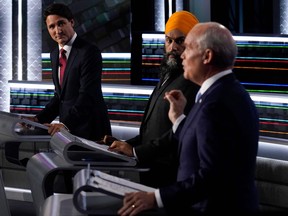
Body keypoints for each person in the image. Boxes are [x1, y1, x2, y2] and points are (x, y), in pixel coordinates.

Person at [117, 22, 259, 215]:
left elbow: (212, 176)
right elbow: (203, 141)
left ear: (207, 56)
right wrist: (178, 119)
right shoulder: (219, 93)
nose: (182, 54)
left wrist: (155, 198)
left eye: (189, 47)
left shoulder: (218, 103)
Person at [103, 11, 200, 188]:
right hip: (154, 171)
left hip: (173, 176)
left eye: (180, 41)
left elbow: (179, 133)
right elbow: (152, 131)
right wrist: (125, 144)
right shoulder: (168, 75)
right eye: (169, 40)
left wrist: (135, 151)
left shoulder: (193, 82)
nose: (173, 47)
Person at [27, 3, 111, 141]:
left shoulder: (89, 52)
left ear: (71, 22)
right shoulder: (54, 54)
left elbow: (87, 95)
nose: (57, 30)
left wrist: (65, 124)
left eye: (61, 23)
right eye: (52, 27)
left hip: (91, 131)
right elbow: (60, 97)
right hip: (67, 132)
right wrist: (37, 119)